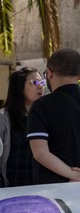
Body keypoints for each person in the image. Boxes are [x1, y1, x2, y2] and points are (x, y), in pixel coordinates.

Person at [27, 48, 80, 184]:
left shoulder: (41, 106)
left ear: (50, 73)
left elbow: (40, 153)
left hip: (53, 188)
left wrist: (73, 175)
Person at [0, 67, 45, 187]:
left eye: (42, 82)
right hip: (10, 185)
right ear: (19, 86)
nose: (40, 86)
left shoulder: (45, 116)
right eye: (35, 82)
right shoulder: (2, 117)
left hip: (40, 186)